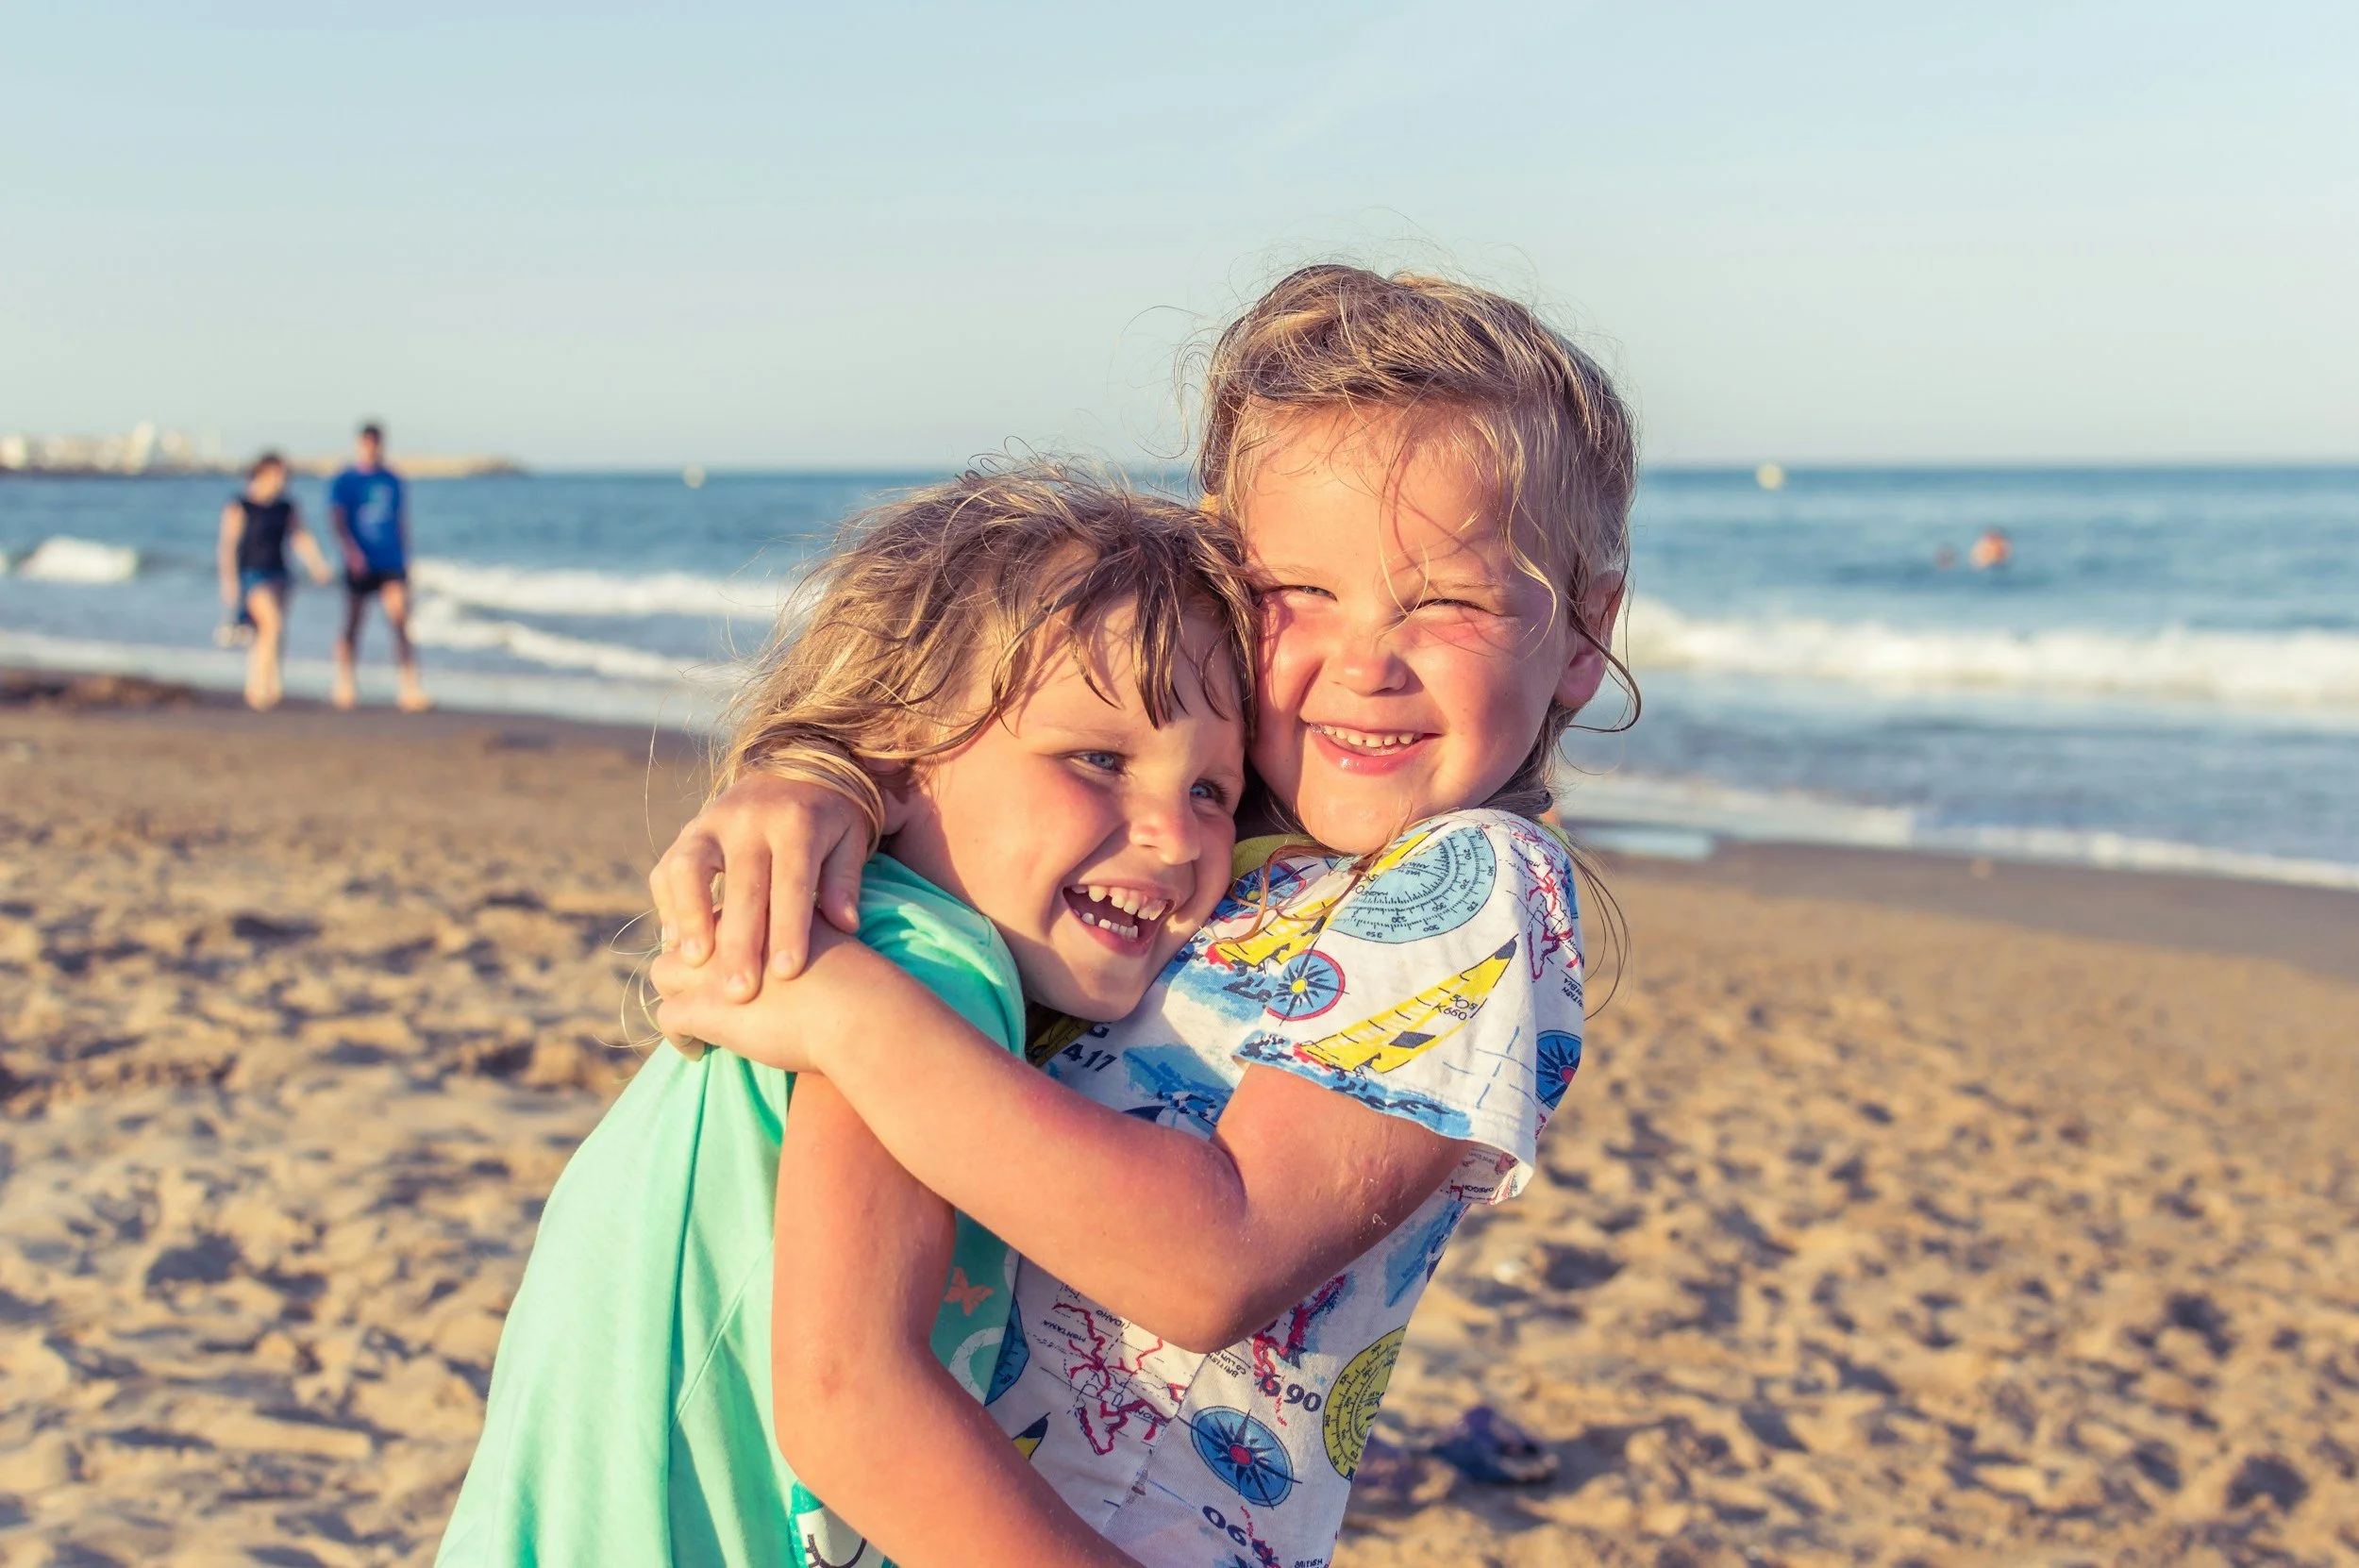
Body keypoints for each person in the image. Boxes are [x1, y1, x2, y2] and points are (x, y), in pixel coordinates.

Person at [650, 265, 1635, 1564]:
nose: (1365, 660)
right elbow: (992, 750)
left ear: (1583, 629)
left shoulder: (1476, 884)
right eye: (1301, 594)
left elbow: (1210, 1259)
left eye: (1446, 600)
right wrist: (823, 780)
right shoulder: (1207, 838)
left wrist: (840, 1003)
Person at [437, 464, 1258, 1567]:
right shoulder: (922, 963)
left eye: (1212, 789)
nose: (1171, 832)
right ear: (903, 758)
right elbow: (852, 1401)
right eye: (1097, 759)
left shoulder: (888, 936)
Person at [215, 452, 331, 709]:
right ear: (264, 473)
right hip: (251, 575)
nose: (283, 480)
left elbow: (300, 536)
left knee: (269, 633)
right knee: (272, 625)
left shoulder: (286, 507)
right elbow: (228, 545)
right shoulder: (240, 505)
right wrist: (229, 580)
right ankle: (259, 688)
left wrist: (317, 565)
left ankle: (268, 683)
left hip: (280, 574)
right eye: (279, 474)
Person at [327, 421, 429, 710]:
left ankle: (409, 688)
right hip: (359, 562)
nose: (372, 449)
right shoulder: (345, 480)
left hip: (391, 561)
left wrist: (407, 560)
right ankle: (344, 683)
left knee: (400, 622)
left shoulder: (393, 480)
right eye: (367, 443)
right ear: (359, 444)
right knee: (353, 624)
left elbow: (401, 521)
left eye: (377, 444)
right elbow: (337, 519)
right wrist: (350, 552)